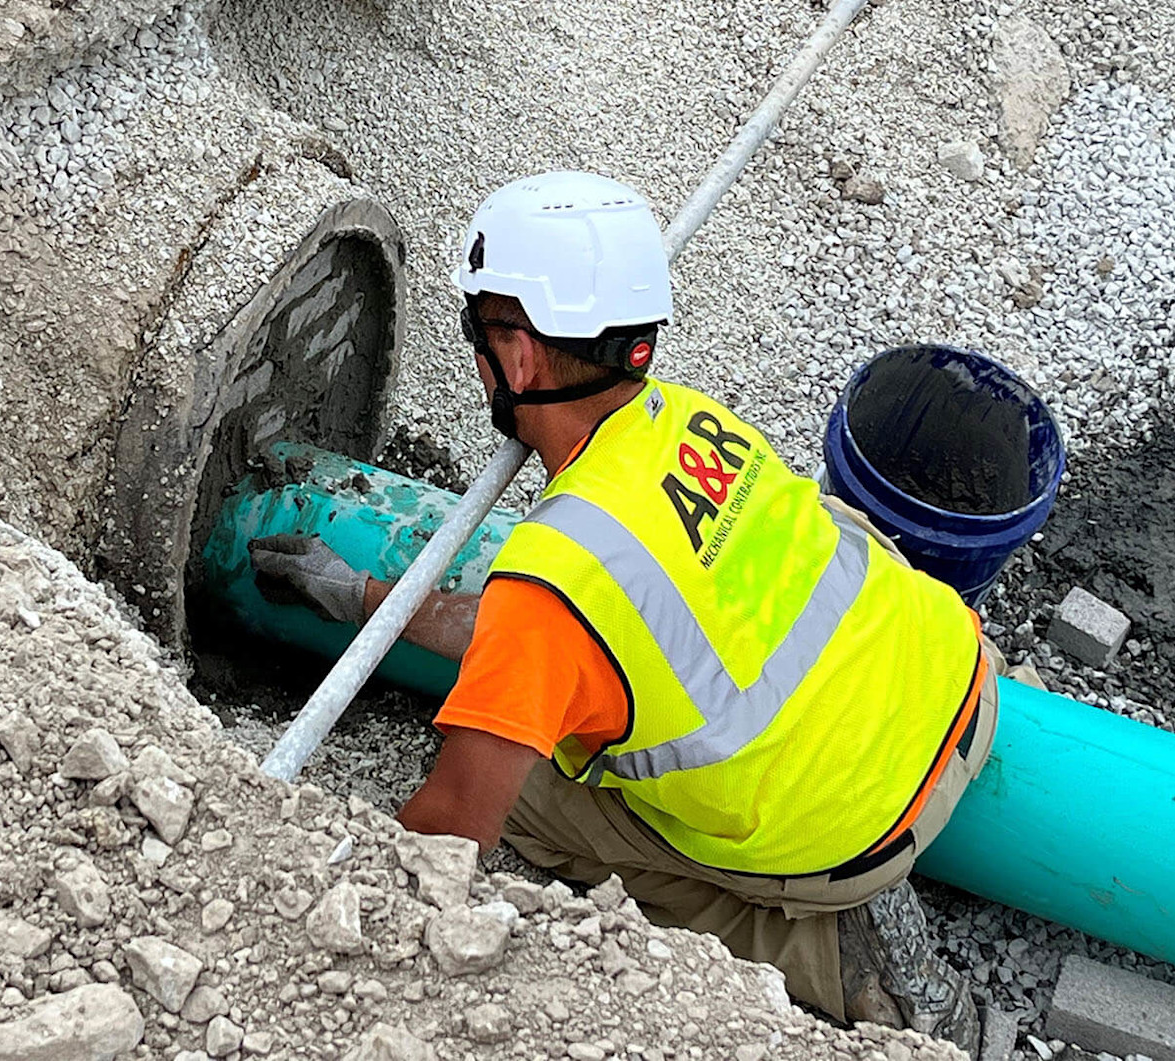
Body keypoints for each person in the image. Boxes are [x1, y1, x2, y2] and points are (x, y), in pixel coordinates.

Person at [250, 171, 998, 1053]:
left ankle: (838, 953)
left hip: (857, 829)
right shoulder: (687, 419)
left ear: (520, 357)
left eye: (478, 333)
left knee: (532, 797)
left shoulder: (555, 577)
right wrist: (367, 599)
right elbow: (563, 630)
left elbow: (453, 830)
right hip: (961, 684)